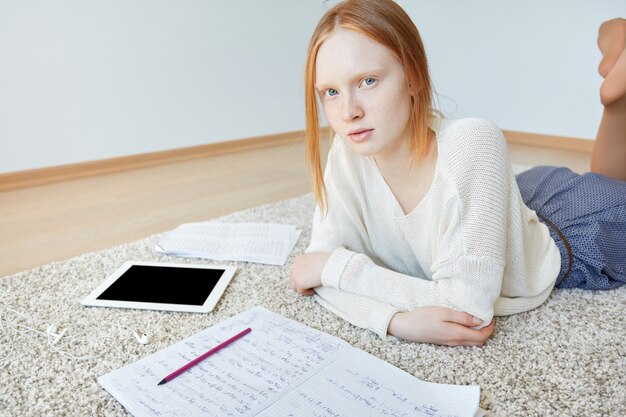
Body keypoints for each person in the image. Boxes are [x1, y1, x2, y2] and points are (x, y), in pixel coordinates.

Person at [289, 0, 626, 347]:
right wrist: (395, 322)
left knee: (614, 182)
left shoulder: (474, 140)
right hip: (502, 205)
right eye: (330, 92)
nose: (348, 112)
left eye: (368, 81)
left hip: (569, 229)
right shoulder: (347, 154)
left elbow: (467, 308)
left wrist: (341, 270)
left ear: (413, 78)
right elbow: (313, 270)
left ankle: (616, 80)